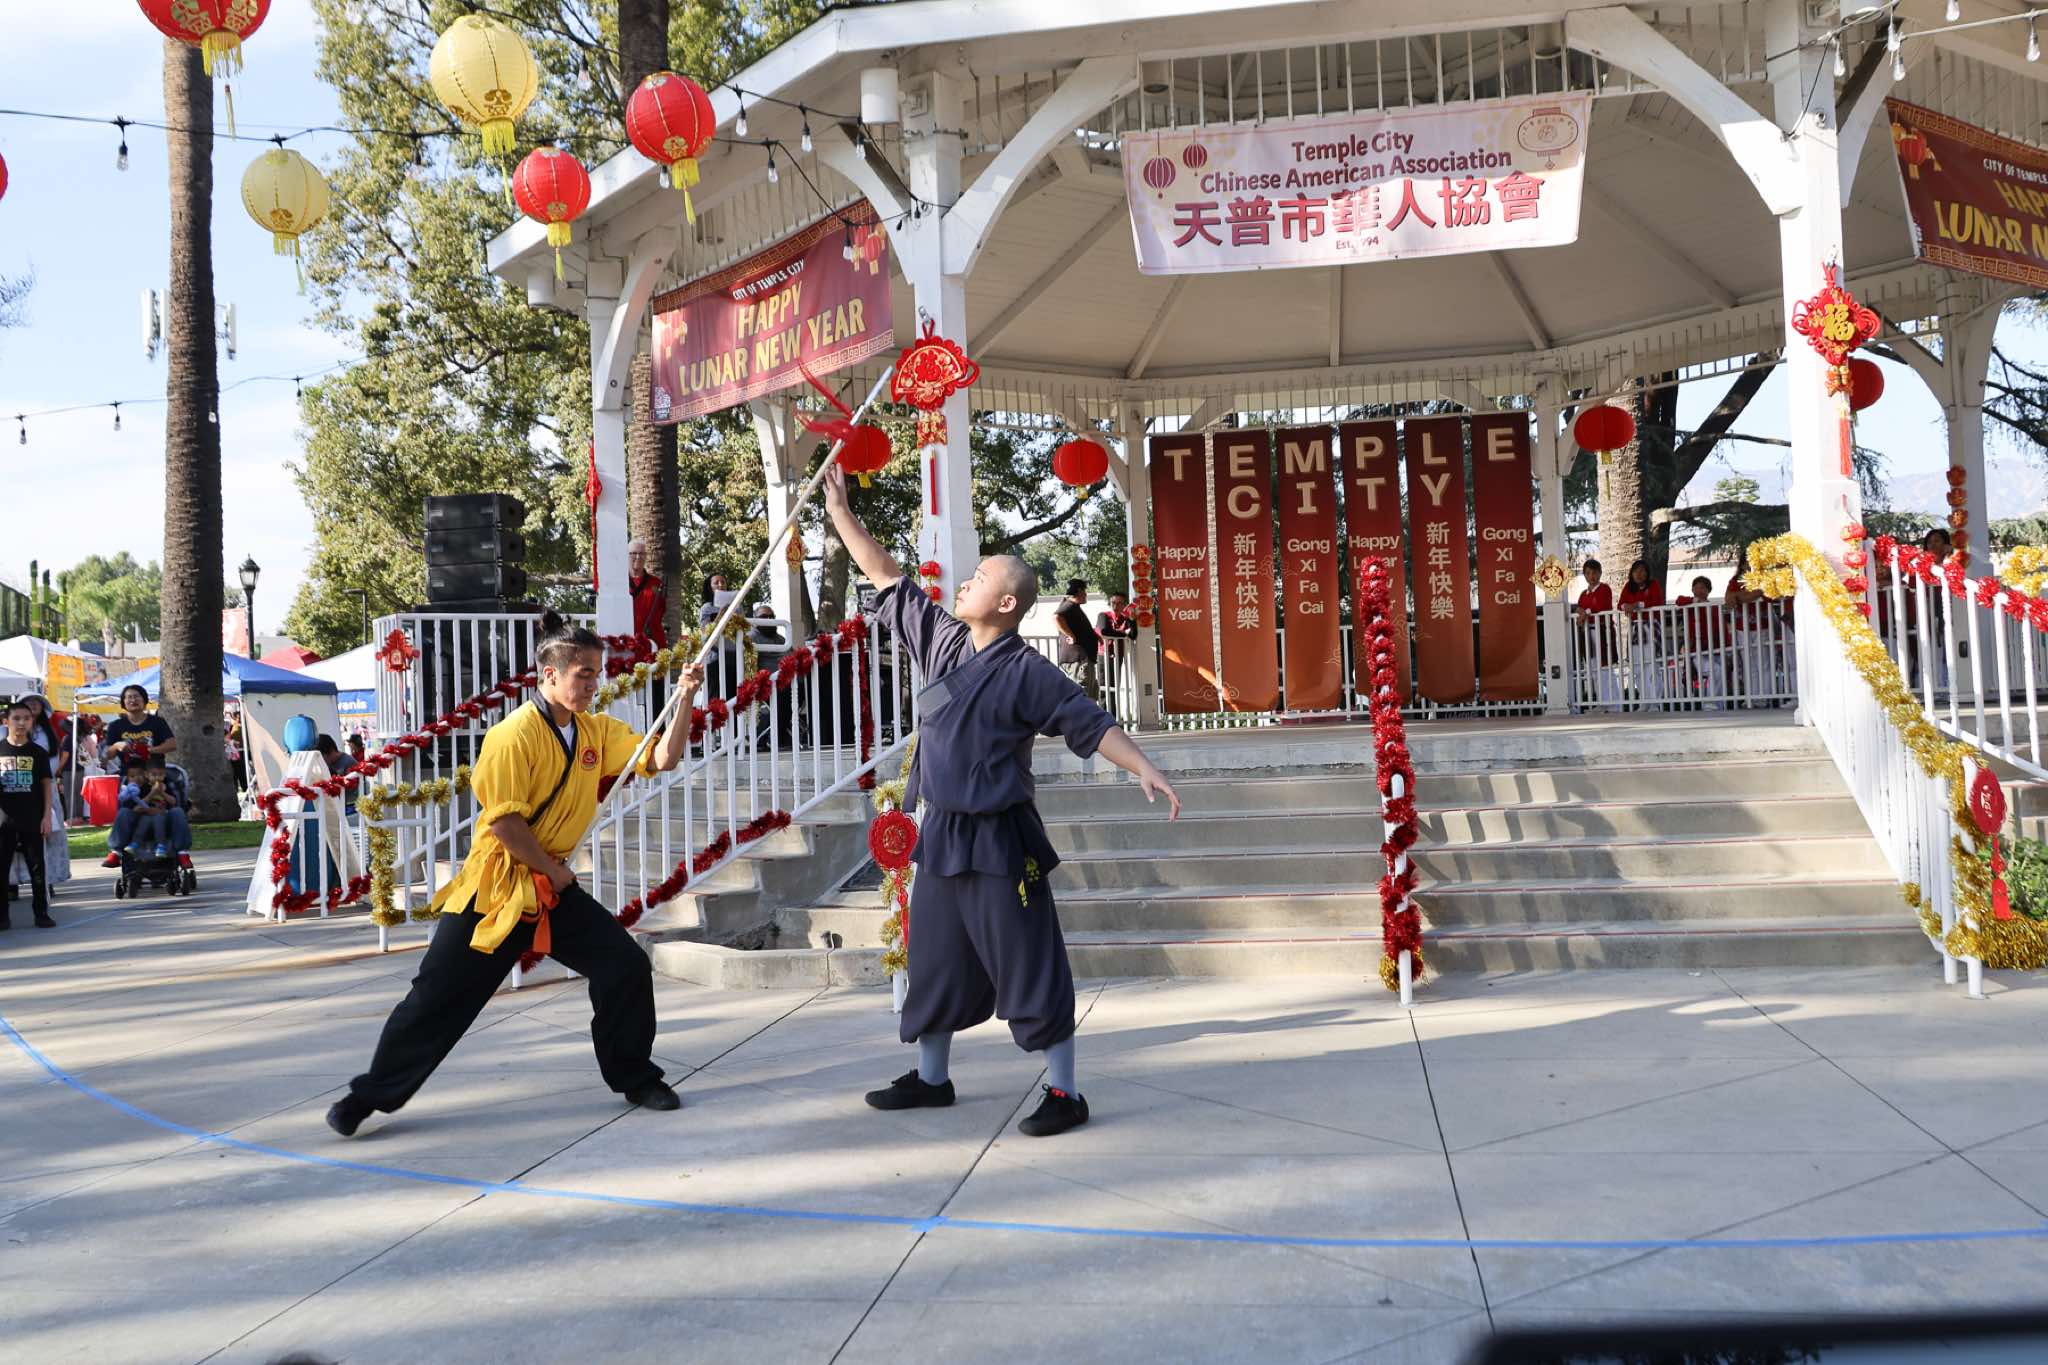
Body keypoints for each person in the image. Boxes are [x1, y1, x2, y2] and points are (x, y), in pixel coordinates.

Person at [823, 464, 1181, 1138]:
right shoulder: (942, 638)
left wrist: (1144, 765)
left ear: (1008, 602)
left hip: (999, 838)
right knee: (934, 958)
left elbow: (1090, 722)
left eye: (980, 576)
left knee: (1027, 959)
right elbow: (886, 575)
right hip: (941, 835)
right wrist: (842, 513)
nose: (965, 581)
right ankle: (933, 1079)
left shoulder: (1027, 671)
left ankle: (1065, 1090)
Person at [325, 612, 707, 1138]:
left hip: (552, 886)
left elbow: (663, 757)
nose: (593, 684)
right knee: (437, 995)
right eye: (583, 674)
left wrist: (685, 697)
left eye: (597, 674)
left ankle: (636, 1077)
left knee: (624, 967)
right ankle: (366, 1097)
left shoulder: (596, 730)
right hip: (498, 886)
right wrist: (552, 870)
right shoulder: (511, 735)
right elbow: (504, 823)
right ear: (549, 674)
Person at [0, 699, 56, 929]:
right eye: (16, 718)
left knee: (37, 868)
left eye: (26, 718)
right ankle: (2, 916)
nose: (21, 723)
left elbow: (46, 785)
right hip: (4, 820)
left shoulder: (38, 752)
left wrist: (47, 816)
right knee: (2, 869)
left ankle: (41, 913)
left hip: (32, 818)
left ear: (32, 721)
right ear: (5, 721)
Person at [1673, 576, 1728, 710]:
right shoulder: (1691, 605)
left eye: (1702, 587)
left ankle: (1719, 704)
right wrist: (1694, 601)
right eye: (1696, 587)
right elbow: (1679, 600)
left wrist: (1727, 647)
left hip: (1716, 649)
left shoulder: (1714, 607)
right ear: (1692, 590)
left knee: (1721, 671)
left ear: (1708, 590)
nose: (1699, 590)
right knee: (1715, 670)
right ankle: (1710, 702)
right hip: (1696, 651)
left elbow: (1722, 628)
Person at [1617, 560, 1665, 708]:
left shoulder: (1653, 585)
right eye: (1636, 571)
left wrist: (1637, 605)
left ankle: (1655, 703)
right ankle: (1644, 701)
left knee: (1651, 666)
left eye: (1642, 570)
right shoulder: (1628, 586)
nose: (1639, 574)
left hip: (1650, 627)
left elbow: (1657, 602)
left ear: (1647, 573)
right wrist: (1627, 605)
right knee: (1637, 667)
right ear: (1631, 573)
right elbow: (1620, 604)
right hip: (1635, 630)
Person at [1574, 559, 1619, 712]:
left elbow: (1601, 607)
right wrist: (1581, 611)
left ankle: (1614, 704)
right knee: (1593, 669)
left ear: (1600, 573)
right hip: (1588, 633)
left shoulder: (1604, 589)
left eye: (1594, 573)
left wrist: (1585, 612)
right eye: (1588, 573)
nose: (1591, 576)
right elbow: (1579, 607)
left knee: (1604, 668)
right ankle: (1602, 702)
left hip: (1602, 631)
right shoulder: (1584, 593)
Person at [1054, 578, 1102, 702]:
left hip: (1082, 659)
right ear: (1079, 591)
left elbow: (1078, 627)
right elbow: (1056, 617)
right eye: (1085, 591)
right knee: (1083, 696)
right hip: (1079, 659)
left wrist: (1093, 635)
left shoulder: (1073, 607)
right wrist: (1070, 635)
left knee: (1090, 695)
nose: (1086, 594)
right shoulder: (1069, 605)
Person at [103, 685, 176, 764]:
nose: (133, 700)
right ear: (123, 702)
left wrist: (147, 750)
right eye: (129, 697)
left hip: (154, 769)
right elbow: (108, 755)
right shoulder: (115, 725)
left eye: (136, 696)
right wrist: (116, 746)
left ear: (144, 699)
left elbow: (172, 745)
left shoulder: (158, 721)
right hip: (128, 770)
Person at [627, 539, 670, 649]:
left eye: (641, 553)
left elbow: (661, 610)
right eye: (633, 553)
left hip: (653, 643)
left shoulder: (657, 583)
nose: (638, 557)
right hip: (627, 643)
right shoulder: (619, 583)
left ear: (646, 556)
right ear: (626, 555)